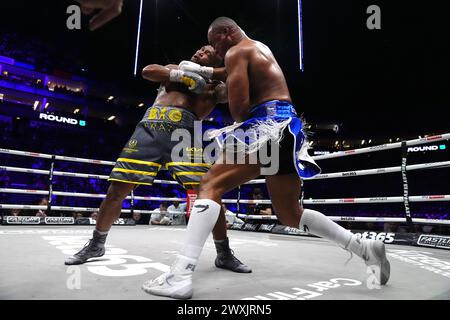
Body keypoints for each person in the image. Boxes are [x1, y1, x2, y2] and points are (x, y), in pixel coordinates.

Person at [143, 17, 390, 299]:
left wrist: (217, 92)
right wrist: (209, 71)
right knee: (289, 213)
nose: (217, 49)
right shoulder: (257, 48)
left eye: (215, 43)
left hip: (265, 127)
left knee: (209, 186)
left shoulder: (236, 52)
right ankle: (363, 246)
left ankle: (180, 274)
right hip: (287, 127)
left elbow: (238, 111)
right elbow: (228, 70)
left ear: (227, 33)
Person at [64, 45, 251, 274]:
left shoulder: (216, 88)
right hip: (149, 128)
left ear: (217, 59)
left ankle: (223, 253)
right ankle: (96, 245)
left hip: (185, 134)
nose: (200, 51)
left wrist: (228, 70)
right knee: (117, 189)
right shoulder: (175, 69)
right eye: (200, 49)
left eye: (207, 51)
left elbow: (235, 92)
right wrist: (181, 75)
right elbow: (148, 71)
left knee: (209, 193)